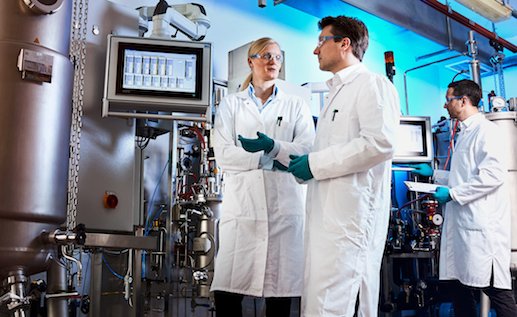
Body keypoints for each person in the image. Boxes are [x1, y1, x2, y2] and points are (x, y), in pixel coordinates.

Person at [287, 16, 400, 316]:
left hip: (350, 228)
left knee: (337, 307)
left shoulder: (372, 84)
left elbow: (380, 143)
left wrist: (315, 164)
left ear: (344, 44)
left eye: (322, 40)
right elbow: (329, 156)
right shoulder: (336, 93)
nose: (315, 50)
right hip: (329, 226)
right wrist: (297, 160)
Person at [210, 37, 315, 316]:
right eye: (266, 56)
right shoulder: (230, 105)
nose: (273, 62)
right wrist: (268, 159)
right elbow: (224, 155)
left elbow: (306, 150)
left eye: (278, 57)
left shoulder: (296, 106)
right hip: (242, 213)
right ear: (251, 61)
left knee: (279, 298)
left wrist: (274, 146)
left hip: (285, 213)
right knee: (228, 294)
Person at [412, 79, 517, 317]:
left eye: (448, 100)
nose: (445, 106)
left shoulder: (487, 131)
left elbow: (493, 176)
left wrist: (452, 194)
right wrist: (436, 174)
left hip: (481, 228)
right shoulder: (464, 133)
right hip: (462, 227)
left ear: (463, 100)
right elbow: (464, 176)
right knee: (458, 286)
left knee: (495, 289)